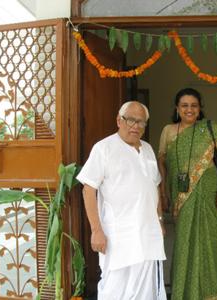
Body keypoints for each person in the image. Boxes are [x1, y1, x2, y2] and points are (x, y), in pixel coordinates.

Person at [77, 101, 167, 300]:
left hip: (148, 233)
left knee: (147, 289)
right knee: (115, 289)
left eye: (141, 122)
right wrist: (96, 231)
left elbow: (154, 188)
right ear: (119, 120)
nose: (135, 126)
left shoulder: (148, 149)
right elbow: (88, 190)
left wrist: (159, 221)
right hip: (118, 235)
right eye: (130, 120)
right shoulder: (103, 148)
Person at [158, 88, 217, 299]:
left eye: (194, 105)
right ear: (177, 109)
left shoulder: (210, 128)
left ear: (200, 108)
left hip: (210, 194)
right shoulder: (168, 131)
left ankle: (209, 294)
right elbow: (162, 165)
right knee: (184, 243)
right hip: (180, 197)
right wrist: (163, 193)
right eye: (184, 105)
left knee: (210, 243)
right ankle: (183, 293)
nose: (189, 109)